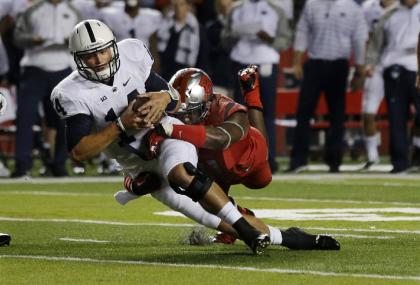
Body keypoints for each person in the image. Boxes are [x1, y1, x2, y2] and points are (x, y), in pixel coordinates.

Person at [51, 19, 270, 255]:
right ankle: (287, 237)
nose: (100, 60)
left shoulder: (132, 54)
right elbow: (79, 153)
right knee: (195, 208)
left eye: (103, 51)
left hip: (168, 137)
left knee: (186, 175)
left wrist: (166, 98)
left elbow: (173, 99)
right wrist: (121, 125)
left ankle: (245, 230)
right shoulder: (70, 92)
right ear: (77, 59)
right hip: (136, 162)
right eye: (90, 56)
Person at [115, 66, 340, 250]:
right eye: (179, 114)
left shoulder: (221, 107)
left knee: (258, 171)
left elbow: (222, 138)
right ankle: (245, 224)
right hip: (214, 170)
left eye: (190, 112)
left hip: (247, 163)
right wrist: (134, 185)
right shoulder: (170, 119)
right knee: (197, 189)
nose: (184, 118)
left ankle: (253, 94)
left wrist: (170, 131)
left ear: (205, 103)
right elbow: (136, 166)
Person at [287, 0, 368, 173]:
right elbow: (302, 31)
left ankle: (334, 160)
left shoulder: (353, 8)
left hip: (339, 65)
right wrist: (297, 62)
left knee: (337, 115)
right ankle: (298, 160)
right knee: (303, 112)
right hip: (314, 63)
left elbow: (359, 39)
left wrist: (359, 72)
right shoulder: (311, 4)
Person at [12, 0, 81, 177]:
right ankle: (22, 164)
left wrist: (70, 41)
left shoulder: (74, 11)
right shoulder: (32, 10)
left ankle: (59, 164)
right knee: (25, 117)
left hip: (64, 70)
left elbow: (83, 40)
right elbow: (17, 37)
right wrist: (32, 40)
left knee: (64, 120)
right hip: (34, 67)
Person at [222, 0, 292, 173]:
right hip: (241, 62)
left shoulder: (276, 10)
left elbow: (286, 39)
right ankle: (240, 159)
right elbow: (224, 38)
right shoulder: (236, 10)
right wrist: (235, 36)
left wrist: (269, 39)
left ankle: (269, 158)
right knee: (239, 114)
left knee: (266, 112)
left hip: (266, 63)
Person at [367, 0, 420, 173]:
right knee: (397, 117)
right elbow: (376, 43)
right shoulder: (389, 15)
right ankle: (400, 162)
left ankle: (417, 151)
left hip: (416, 65)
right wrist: (370, 63)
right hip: (395, 65)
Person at [361, 0, 397, 170]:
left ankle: (410, 152)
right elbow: (365, 37)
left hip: (401, 65)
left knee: (402, 113)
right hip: (376, 66)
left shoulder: (410, 7)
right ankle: (372, 156)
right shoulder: (368, 8)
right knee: (368, 111)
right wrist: (366, 63)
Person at [156, 0, 210, 81]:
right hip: (164, 75)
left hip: (186, 77)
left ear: (188, 6)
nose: (178, 8)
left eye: (181, 5)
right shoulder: (164, 26)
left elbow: (203, 56)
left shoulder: (197, 29)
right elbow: (158, 52)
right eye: (175, 5)